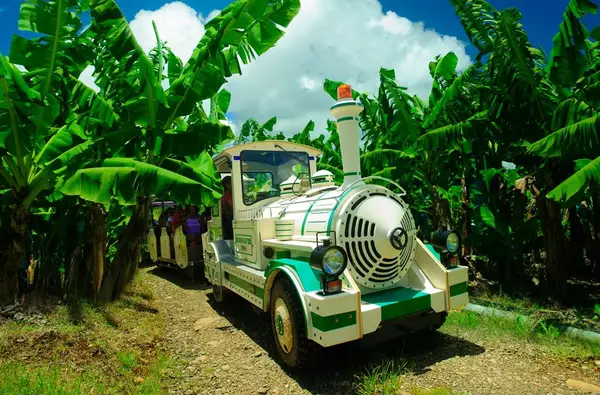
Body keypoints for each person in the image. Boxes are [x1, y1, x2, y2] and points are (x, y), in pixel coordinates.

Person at [221, 176, 234, 240]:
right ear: (227, 185)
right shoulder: (224, 197)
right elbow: (227, 211)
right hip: (228, 220)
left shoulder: (233, 194)